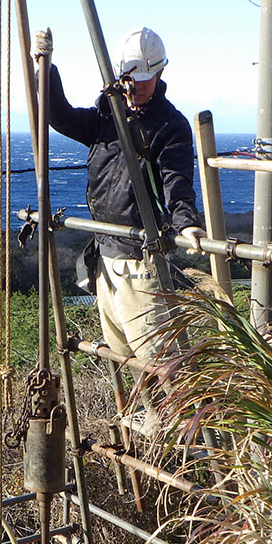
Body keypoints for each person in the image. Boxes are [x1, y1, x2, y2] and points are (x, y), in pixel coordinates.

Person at [34, 26, 206, 364]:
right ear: (119, 74)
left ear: (160, 72)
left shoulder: (170, 125)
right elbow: (59, 116)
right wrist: (45, 68)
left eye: (146, 78)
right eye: (132, 77)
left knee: (159, 361)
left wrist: (186, 223)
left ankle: (178, 418)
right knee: (124, 357)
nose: (138, 86)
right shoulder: (107, 117)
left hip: (141, 257)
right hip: (105, 252)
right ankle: (147, 417)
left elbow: (176, 179)